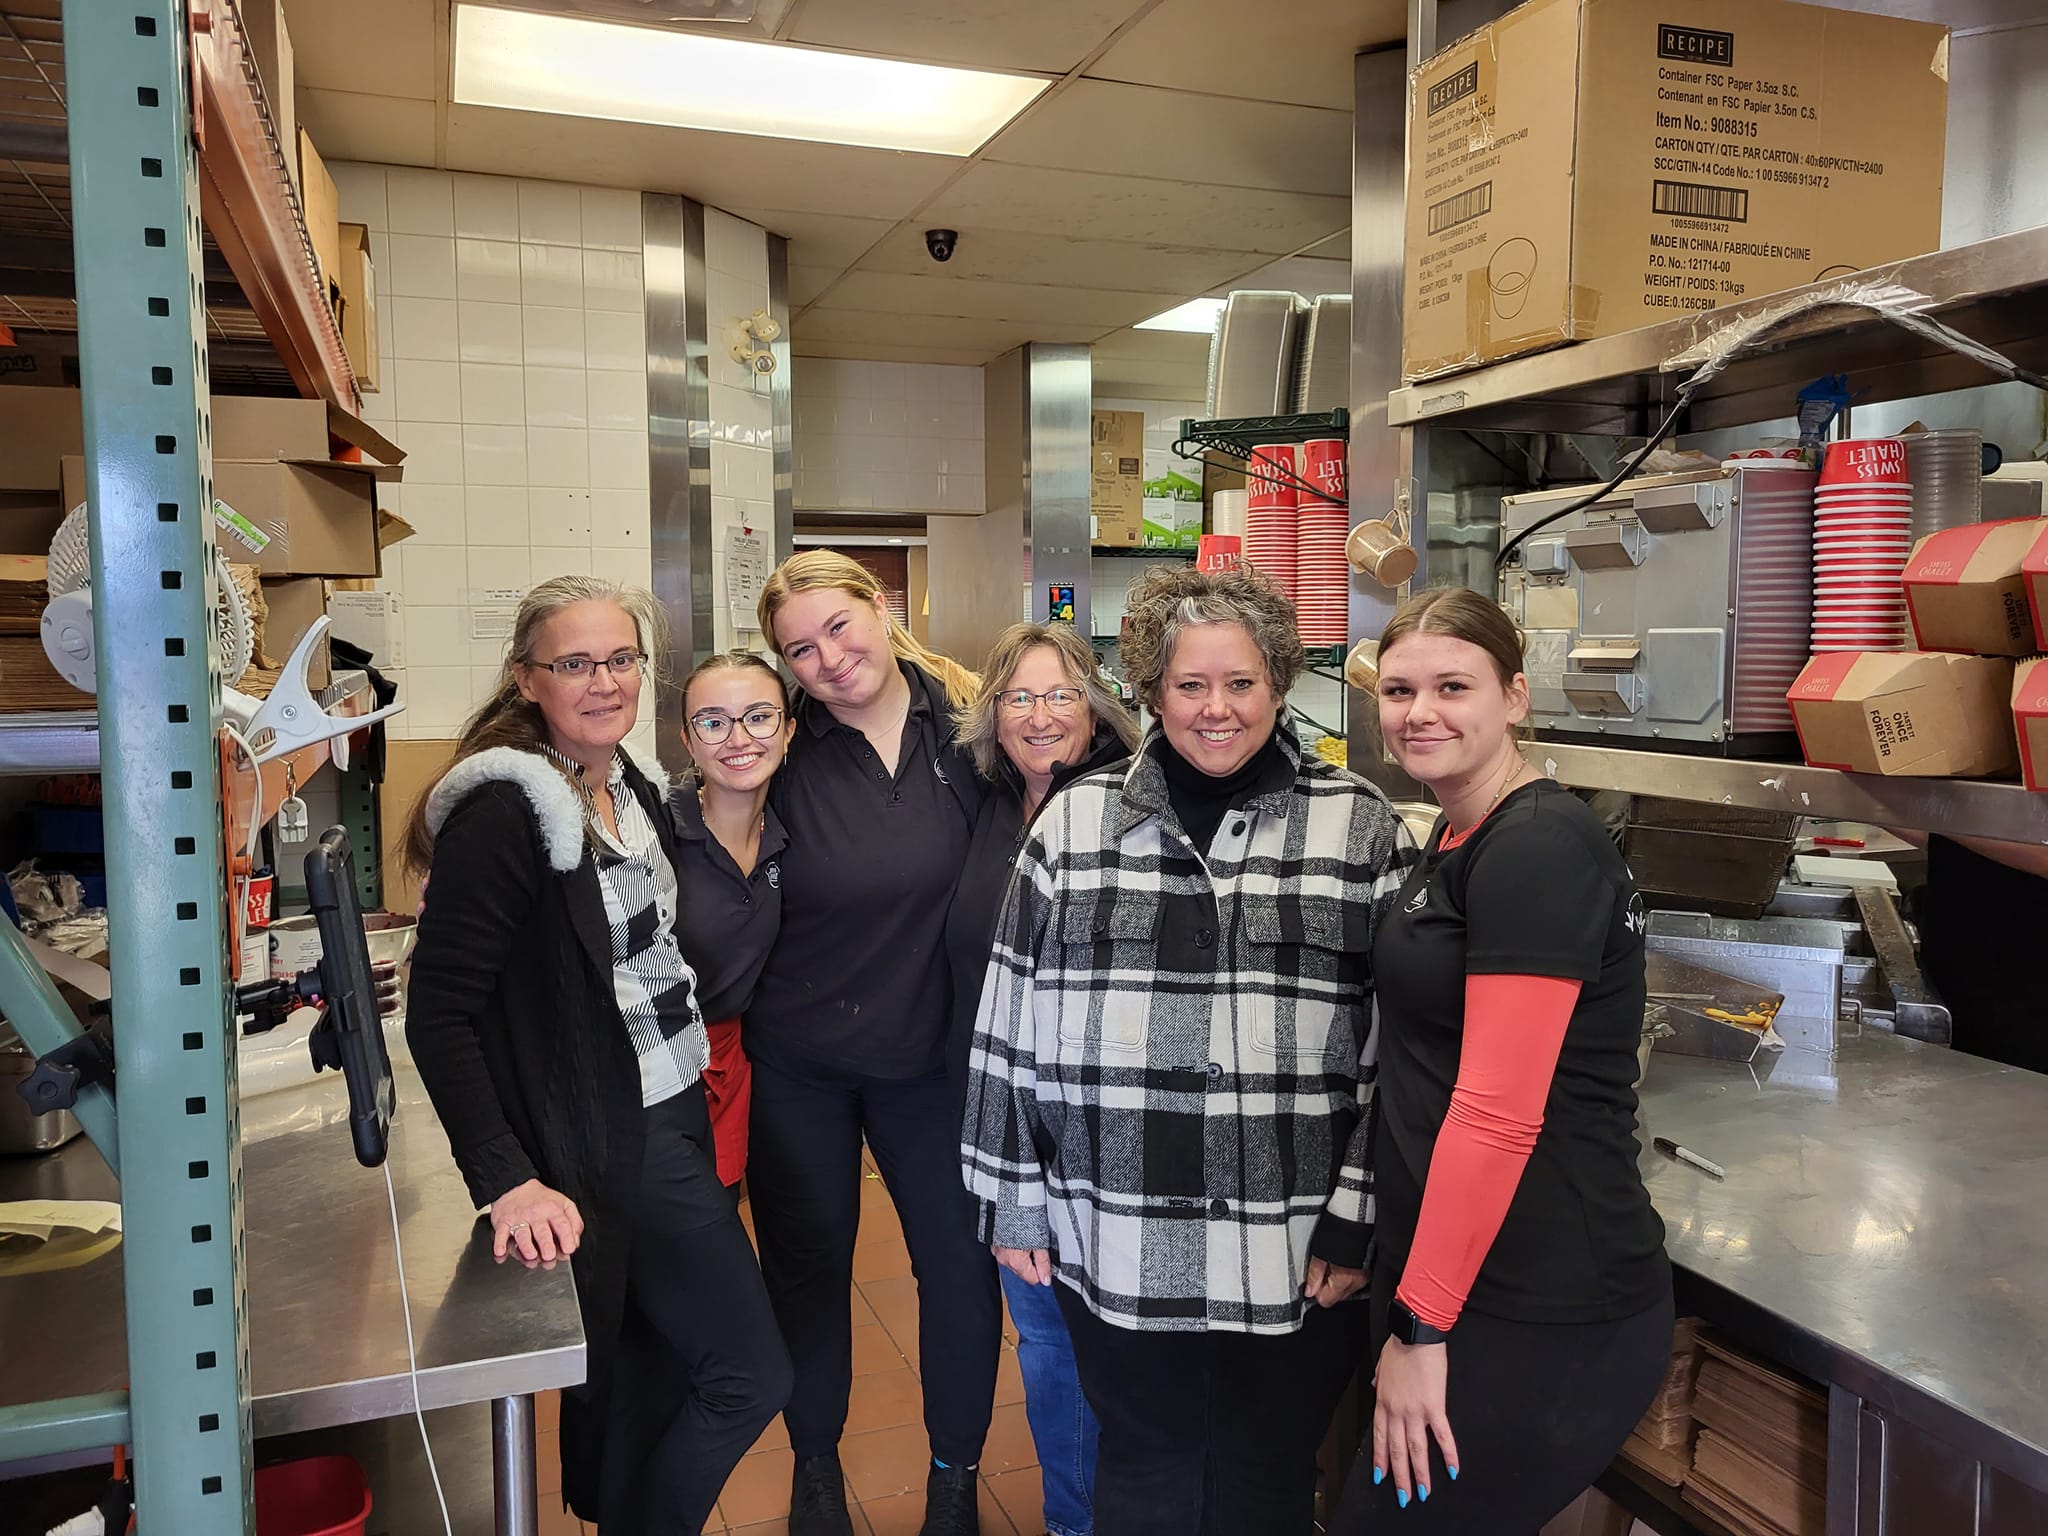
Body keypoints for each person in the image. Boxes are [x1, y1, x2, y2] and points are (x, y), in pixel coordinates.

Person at [963, 563, 1415, 1536]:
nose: (1216, 709)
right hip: (1116, 1235)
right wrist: (1010, 1198)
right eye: (1189, 684)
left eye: (1240, 682)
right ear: (1150, 692)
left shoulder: (1359, 828)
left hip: (1290, 1246)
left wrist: (1357, 1218)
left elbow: (1398, 1054)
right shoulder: (1074, 826)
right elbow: (1007, 1022)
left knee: (1269, 1480)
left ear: (1279, 682)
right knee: (1139, 1474)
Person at [403, 576, 790, 1535]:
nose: (604, 681)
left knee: (653, 1365)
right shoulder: (507, 811)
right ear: (526, 678)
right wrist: (506, 1179)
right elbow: (438, 1015)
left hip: (677, 1102)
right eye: (574, 663)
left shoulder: (630, 785)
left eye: (621, 659)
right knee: (750, 1374)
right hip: (619, 1136)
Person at [1332, 586, 1673, 1534]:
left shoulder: (1538, 848)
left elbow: (1495, 1111)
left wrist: (1422, 1326)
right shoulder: (1459, 831)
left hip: (1539, 1300)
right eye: (1398, 690)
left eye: (1453, 686)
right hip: (1459, 1282)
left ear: (1515, 697)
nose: (1420, 712)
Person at [747, 551, 1001, 1536]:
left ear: (878, 606)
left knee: (959, 1273)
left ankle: (953, 1480)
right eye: (798, 650)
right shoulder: (778, 747)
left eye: (836, 628)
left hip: (935, 1062)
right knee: (808, 1271)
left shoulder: (974, 726)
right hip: (801, 1060)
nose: (826, 659)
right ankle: (815, 1469)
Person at [947, 622, 1142, 1536]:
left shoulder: (1130, 803)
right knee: (1049, 1346)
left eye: (1062, 694)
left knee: (1112, 1348)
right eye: (1018, 696)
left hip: (1103, 1134)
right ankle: (1073, 1522)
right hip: (1005, 1130)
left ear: (1096, 707)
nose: (1040, 715)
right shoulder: (985, 806)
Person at [670, 649, 795, 1186]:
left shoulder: (789, 836)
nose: (739, 739)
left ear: (788, 731)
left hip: (729, 1065)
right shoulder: (656, 829)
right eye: (713, 722)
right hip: (652, 1072)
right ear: (688, 739)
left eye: (759, 717)